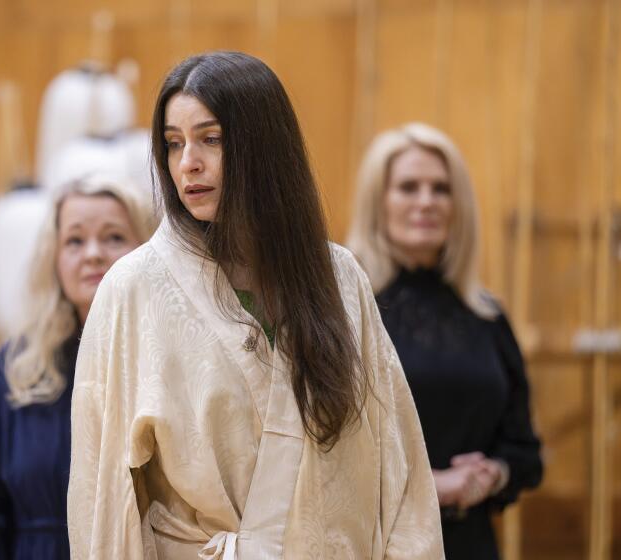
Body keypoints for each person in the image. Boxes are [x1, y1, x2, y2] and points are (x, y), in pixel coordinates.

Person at [68, 51, 443, 559]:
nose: (188, 163)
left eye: (211, 139)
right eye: (173, 144)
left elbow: (404, 481)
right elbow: (104, 496)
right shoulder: (132, 290)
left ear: (264, 146)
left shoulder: (339, 278)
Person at [347, 122, 543, 559]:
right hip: (376, 546)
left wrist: (492, 475)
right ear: (377, 202)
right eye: (408, 187)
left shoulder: (486, 315)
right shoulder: (344, 310)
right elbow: (325, 458)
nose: (426, 202)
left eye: (441, 189)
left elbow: (524, 449)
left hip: (471, 544)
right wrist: (432, 486)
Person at [0, 174, 156, 559]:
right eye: (75, 241)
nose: (93, 253)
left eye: (114, 237)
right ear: (55, 258)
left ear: (146, 251)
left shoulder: (172, 363)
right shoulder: (12, 371)